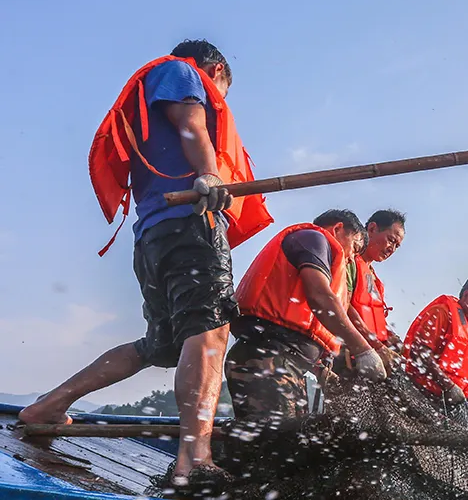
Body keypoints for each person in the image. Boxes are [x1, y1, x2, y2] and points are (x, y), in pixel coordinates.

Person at [21, 39, 273, 484]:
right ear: (215, 71)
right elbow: (191, 120)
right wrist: (209, 172)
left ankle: (50, 405)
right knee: (210, 330)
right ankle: (194, 460)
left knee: (158, 346)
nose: (216, 102)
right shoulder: (181, 72)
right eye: (221, 93)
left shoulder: (157, 85)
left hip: (155, 235)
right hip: (190, 224)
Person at [226, 209, 386, 432]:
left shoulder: (320, 249)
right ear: (338, 228)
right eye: (355, 248)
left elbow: (301, 333)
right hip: (266, 359)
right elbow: (319, 296)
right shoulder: (313, 238)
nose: (351, 259)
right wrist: (363, 350)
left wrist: (322, 370)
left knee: (294, 440)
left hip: (284, 364)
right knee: (273, 442)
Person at [403, 273, 468, 431]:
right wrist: (448, 386)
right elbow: (420, 354)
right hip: (421, 396)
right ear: (467, 296)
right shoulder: (441, 312)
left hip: (450, 405)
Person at [347, 210, 406, 355]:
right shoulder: (348, 261)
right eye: (391, 240)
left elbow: (375, 320)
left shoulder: (376, 282)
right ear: (372, 229)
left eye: (397, 246)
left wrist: (393, 339)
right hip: (348, 352)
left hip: (371, 353)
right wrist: (377, 346)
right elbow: (343, 305)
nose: (392, 249)